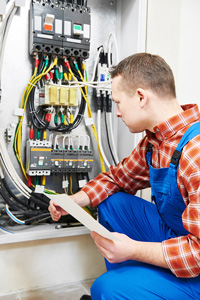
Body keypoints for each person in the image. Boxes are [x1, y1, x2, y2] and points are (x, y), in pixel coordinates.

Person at [48, 53, 200, 300]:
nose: (117, 112)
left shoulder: (195, 154)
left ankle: (125, 288)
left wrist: (134, 250)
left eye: (118, 102)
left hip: (197, 267)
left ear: (141, 97)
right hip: (179, 237)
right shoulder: (155, 141)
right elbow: (117, 179)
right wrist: (74, 201)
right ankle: (134, 283)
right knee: (112, 202)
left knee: (105, 289)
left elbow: (198, 255)